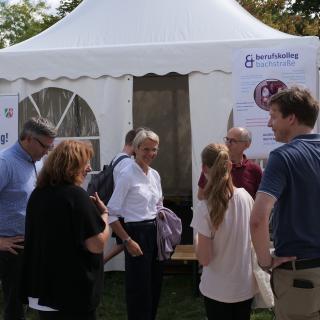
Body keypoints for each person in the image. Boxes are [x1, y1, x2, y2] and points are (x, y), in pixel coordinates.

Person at [250, 87, 320, 320]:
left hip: (300, 274)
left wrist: (265, 261)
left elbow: (258, 219)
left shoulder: (283, 156)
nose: (270, 123)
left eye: (273, 115)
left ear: (291, 118)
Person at [21, 140, 110, 320]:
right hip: (72, 292)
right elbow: (97, 244)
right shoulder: (77, 196)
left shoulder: (37, 195)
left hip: (44, 289)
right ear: (72, 165)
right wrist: (105, 215)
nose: (88, 168)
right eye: (86, 163)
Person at [191, 144, 257, 320]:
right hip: (244, 286)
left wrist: (197, 239)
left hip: (217, 289)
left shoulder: (204, 208)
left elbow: (204, 258)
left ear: (204, 168)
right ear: (229, 166)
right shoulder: (246, 197)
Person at [0, 117, 56, 320]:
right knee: (14, 306)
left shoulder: (37, 161)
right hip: (11, 248)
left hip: (31, 243)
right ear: (29, 139)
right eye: (45, 146)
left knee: (28, 301)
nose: (47, 151)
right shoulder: (5, 163)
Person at [108, 129, 163, 320]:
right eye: (146, 149)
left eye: (154, 149)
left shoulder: (155, 174)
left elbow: (158, 204)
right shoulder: (127, 174)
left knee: (154, 285)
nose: (150, 154)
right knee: (138, 289)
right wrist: (127, 240)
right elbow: (111, 213)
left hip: (155, 233)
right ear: (136, 149)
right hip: (136, 234)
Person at [197, 127, 262, 200]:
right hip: (217, 211)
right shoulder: (213, 164)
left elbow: (259, 199)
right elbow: (201, 196)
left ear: (247, 144)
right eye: (227, 139)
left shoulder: (254, 169)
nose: (228, 144)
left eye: (233, 141)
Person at [103, 129, 137, 264]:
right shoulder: (127, 163)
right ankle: (101, 262)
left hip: (118, 208)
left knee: (124, 242)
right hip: (122, 210)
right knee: (126, 240)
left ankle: (101, 262)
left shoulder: (118, 157)